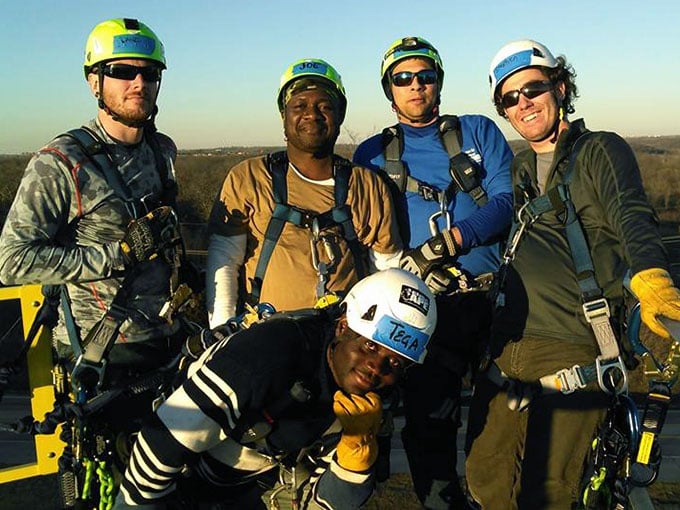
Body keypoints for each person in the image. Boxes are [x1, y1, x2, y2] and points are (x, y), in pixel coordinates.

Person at [465, 39, 680, 509]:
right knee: (486, 479)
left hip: (572, 345)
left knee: (548, 492)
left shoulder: (599, 150)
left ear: (560, 87)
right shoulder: (520, 168)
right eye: (509, 98)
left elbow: (630, 212)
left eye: (533, 88)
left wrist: (650, 273)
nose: (523, 103)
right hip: (507, 347)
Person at [0, 18, 193, 507]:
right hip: (102, 359)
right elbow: (13, 261)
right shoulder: (60, 161)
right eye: (122, 70)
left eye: (150, 73)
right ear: (94, 81)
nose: (139, 83)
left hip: (168, 347)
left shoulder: (161, 150)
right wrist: (116, 255)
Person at [114, 268, 437, 509]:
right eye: (369, 346)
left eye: (395, 363)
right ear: (343, 326)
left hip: (244, 487)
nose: (376, 367)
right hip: (169, 471)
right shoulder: (270, 352)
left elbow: (327, 504)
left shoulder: (373, 404)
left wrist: (355, 453)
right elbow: (161, 442)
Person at [353, 36, 513, 508]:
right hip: (424, 312)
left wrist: (445, 243)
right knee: (429, 426)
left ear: (439, 82)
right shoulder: (371, 154)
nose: (415, 85)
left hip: (489, 299)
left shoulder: (478, 132)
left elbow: (505, 203)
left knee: (503, 424)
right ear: (389, 89)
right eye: (403, 78)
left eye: (425, 76)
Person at [206, 58, 402, 329]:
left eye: (325, 106)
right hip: (263, 335)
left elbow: (386, 267)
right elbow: (225, 259)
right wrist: (222, 329)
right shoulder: (249, 177)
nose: (312, 114)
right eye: (299, 106)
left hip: (343, 338)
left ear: (340, 116)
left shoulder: (366, 185)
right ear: (284, 114)